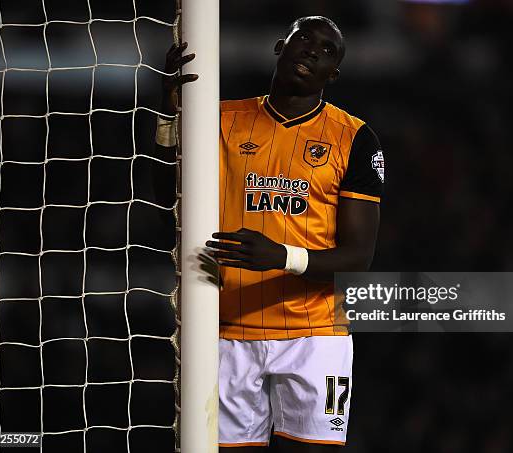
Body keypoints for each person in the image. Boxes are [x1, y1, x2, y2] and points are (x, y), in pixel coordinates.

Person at [157, 16, 384, 451]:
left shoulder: (355, 138)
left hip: (315, 335)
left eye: (327, 50)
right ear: (282, 46)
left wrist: (283, 257)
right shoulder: (221, 119)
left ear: (332, 74)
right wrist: (169, 114)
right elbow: (169, 208)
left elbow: (359, 256)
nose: (313, 50)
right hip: (225, 330)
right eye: (305, 39)